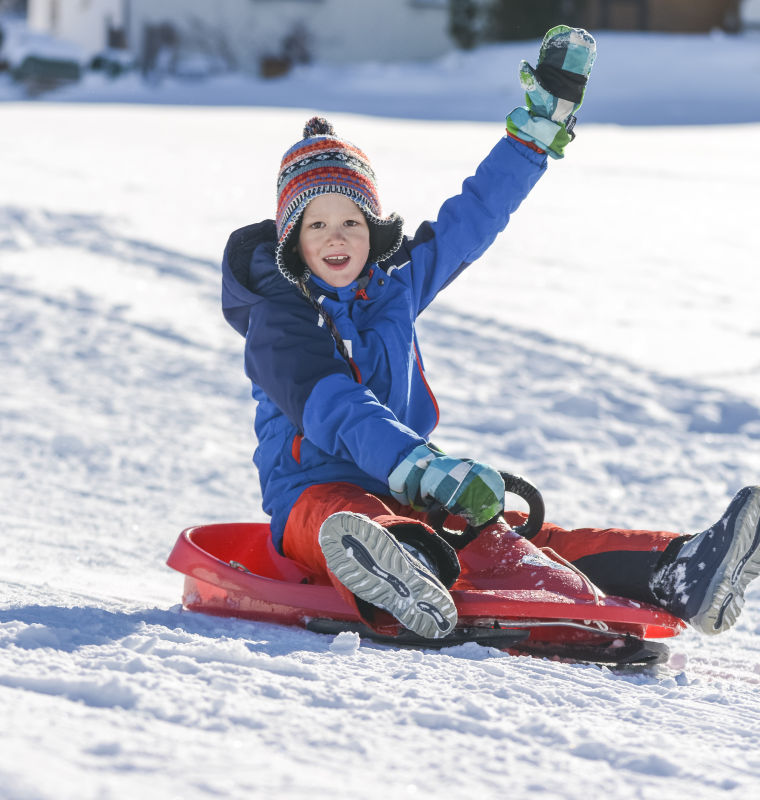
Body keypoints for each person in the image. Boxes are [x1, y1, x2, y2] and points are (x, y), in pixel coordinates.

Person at [221, 26, 760, 640]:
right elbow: (338, 411)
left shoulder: (392, 287)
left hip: (409, 487)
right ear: (293, 240)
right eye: (317, 224)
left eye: (351, 219)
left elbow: (472, 218)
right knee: (345, 515)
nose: (337, 237)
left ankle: (678, 569)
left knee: (503, 535)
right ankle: (405, 569)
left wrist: (535, 133)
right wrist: (421, 466)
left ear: (373, 228)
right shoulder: (279, 320)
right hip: (313, 500)